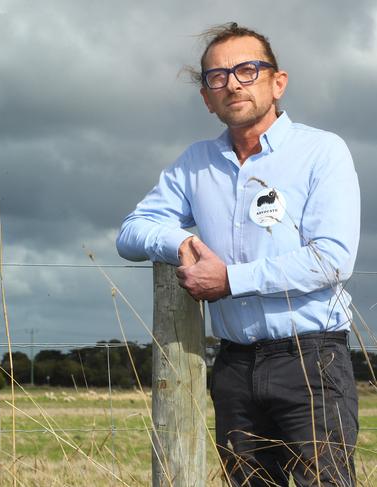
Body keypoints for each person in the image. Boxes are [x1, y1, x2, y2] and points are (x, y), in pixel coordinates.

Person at [116, 23, 360, 486]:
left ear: (277, 81)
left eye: (248, 70)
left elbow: (332, 258)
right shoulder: (195, 163)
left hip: (311, 363)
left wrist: (230, 280)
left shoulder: (322, 152)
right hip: (233, 366)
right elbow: (131, 231)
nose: (232, 83)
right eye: (217, 76)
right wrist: (181, 242)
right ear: (207, 98)